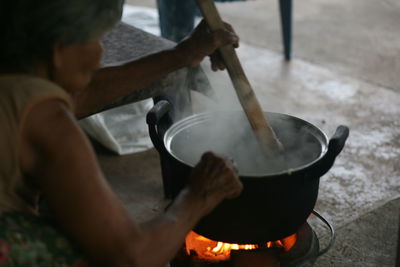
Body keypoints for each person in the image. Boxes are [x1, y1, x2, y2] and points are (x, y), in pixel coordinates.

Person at [0, 0, 243, 266]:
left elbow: (80, 95)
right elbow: (130, 257)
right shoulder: (49, 120)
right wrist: (198, 196)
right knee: (89, 244)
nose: (100, 53)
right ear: (58, 50)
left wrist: (184, 54)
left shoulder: (16, 75)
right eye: (97, 39)